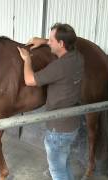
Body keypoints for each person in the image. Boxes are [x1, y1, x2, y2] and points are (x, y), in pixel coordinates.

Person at [17, 23, 84, 180]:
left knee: (57, 171)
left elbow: (30, 80)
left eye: (51, 40)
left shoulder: (59, 66)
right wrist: (44, 40)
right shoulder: (78, 57)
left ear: (61, 44)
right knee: (64, 163)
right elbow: (69, 42)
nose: (49, 43)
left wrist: (27, 59)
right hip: (72, 124)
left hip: (58, 129)